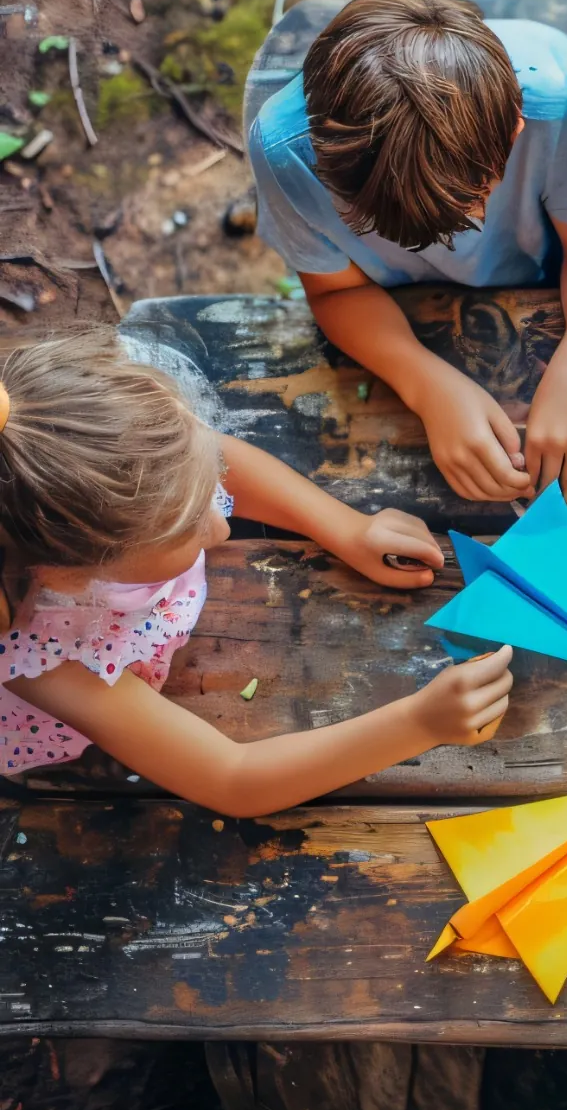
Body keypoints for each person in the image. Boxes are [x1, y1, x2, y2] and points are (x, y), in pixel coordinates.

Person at [0, 327, 512, 815]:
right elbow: (233, 779)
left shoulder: (109, 451)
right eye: (189, 528)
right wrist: (419, 722)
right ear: (73, 575)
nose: (221, 524)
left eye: (207, 484)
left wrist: (344, 527)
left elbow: (219, 457)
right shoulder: (47, 660)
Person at [249, 0, 567, 509]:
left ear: (515, 130)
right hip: (428, 283)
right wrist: (427, 387)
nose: (470, 225)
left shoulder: (552, 107)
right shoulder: (284, 151)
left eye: (475, 199)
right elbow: (338, 292)